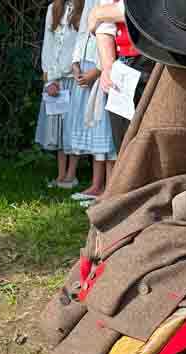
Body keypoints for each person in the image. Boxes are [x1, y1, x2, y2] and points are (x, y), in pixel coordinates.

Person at [65, 0, 116, 203]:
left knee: (106, 132)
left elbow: (108, 34)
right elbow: (83, 34)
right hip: (85, 69)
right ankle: (96, 185)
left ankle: (111, 187)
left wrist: (96, 71)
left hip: (103, 67)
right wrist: (76, 65)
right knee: (95, 130)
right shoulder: (87, 2)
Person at [91, 0, 155, 152]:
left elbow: (150, 8)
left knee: (157, 134)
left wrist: (98, 13)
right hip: (124, 64)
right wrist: (107, 67)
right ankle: (127, 175)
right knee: (123, 139)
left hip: (162, 63)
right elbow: (104, 27)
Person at [35, 0, 82, 190]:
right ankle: (61, 173)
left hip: (74, 77)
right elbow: (48, 44)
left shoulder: (84, 9)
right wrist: (49, 79)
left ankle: (72, 174)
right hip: (56, 80)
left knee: (73, 126)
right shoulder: (53, 9)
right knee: (59, 128)